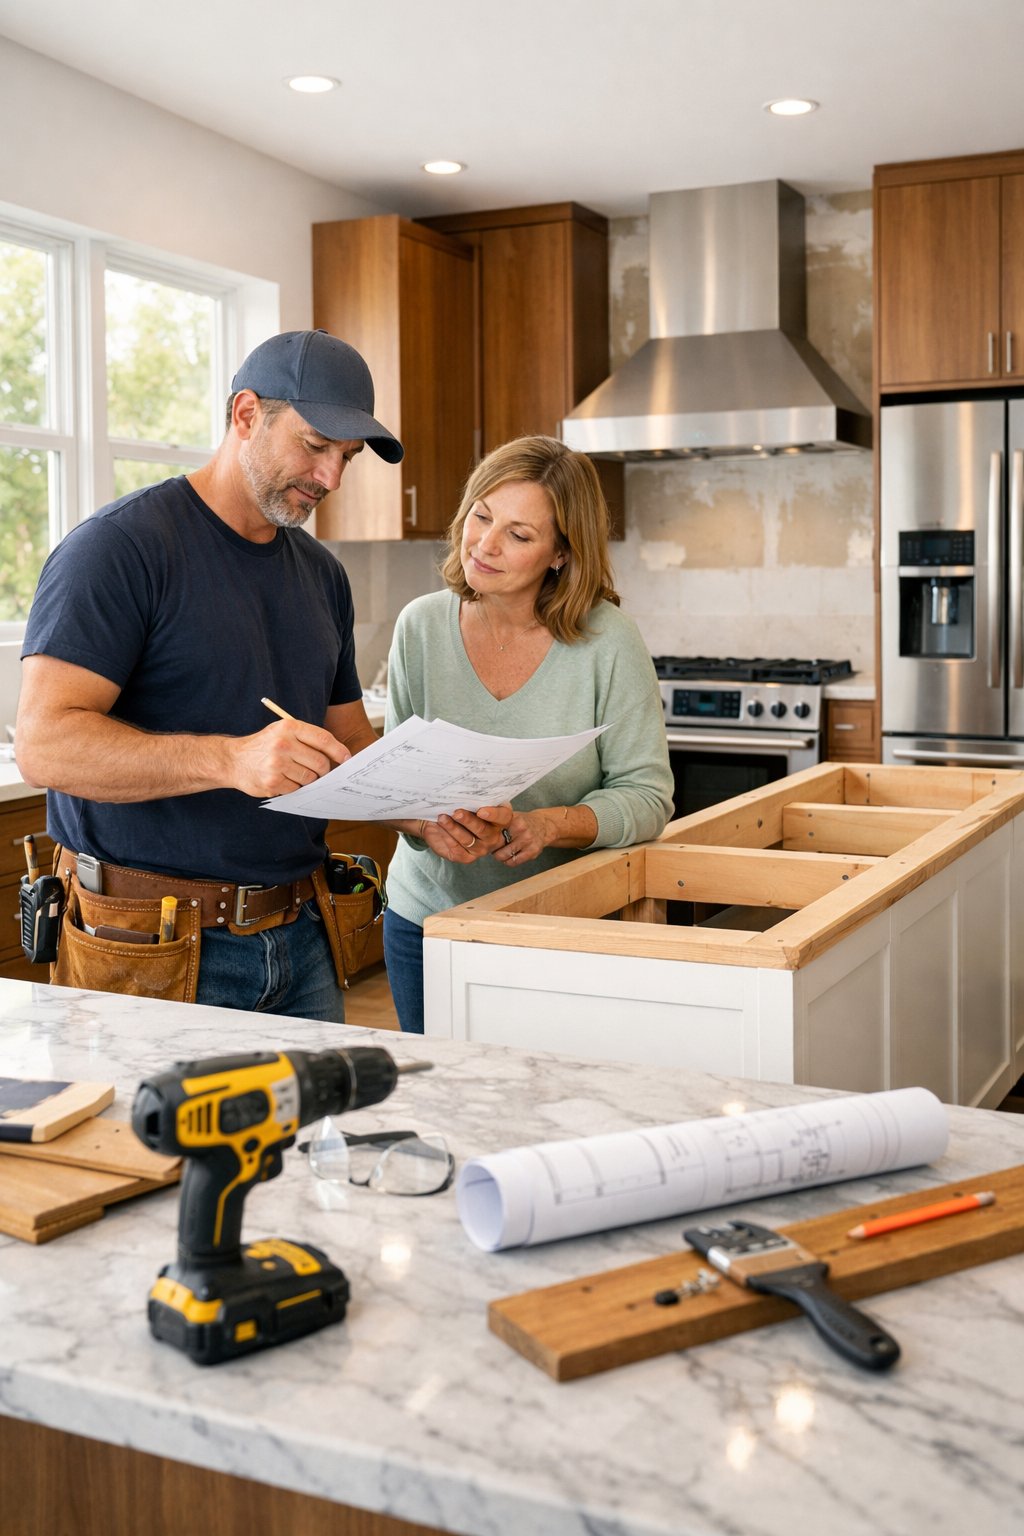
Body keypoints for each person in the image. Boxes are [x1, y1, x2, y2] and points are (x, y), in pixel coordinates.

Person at [15, 329, 403, 1021]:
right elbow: (45, 746)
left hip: (303, 932)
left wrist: (437, 809)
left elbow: (350, 745)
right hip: (147, 945)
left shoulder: (322, 575)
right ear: (246, 413)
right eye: (316, 446)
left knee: (324, 1134)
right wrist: (232, 759)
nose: (331, 479)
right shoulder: (120, 549)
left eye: (346, 458)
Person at [382, 434, 674, 1033]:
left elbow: (648, 798)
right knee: (444, 1102)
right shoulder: (420, 627)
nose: (485, 545)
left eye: (518, 535)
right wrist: (426, 825)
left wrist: (547, 825)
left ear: (561, 554)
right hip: (426, 921)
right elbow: (396, 783)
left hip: (557, 925)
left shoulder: (608, 641)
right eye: (480, 517)